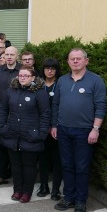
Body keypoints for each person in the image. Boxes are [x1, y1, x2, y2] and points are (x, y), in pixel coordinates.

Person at [51, 48, 107, 212]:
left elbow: (101, 106)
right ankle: (69, 198)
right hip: (63, 129)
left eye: (78, 58)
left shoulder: (95, 81)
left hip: (84, 131)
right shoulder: (62, 80)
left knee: (82, 167)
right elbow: (56, 105)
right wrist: (54, 125)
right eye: (72, 59)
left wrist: (95, 129)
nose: (75, 61)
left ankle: (81, 201)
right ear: (68, 62)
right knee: (66, 165)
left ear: (86, 61)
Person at [0, 67, 50, 203]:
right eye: (20, 75)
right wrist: (2, 127)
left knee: (29, 167)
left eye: (26, 76)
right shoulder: (11, 91)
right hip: (12, 134)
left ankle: (27, 192)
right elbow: (3, 109)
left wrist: (41, 133)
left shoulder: (40, 93)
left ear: (33, 78)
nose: (22, 78)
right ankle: (17, 190)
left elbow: (45, 115)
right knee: (15, 166)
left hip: (31, 136)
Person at [0, 46, 21, 186]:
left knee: (17, 145)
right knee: (1, 144)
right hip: (1, 114)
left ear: (16, 56)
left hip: (18, 115)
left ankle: (18, 175)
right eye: (6, 54)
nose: (8, 57)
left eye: (11, 54)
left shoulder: (23, 71)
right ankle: (1, 174)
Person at [36, 58, 63, 200]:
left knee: (57, 159)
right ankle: (44, 186)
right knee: (43, 158)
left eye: (52, 68)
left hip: (56, 128)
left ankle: (56, 190)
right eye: (47, 68)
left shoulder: (61, 84)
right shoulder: (38, 84)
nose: (50, 70)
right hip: (41, 128)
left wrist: (54, 125)